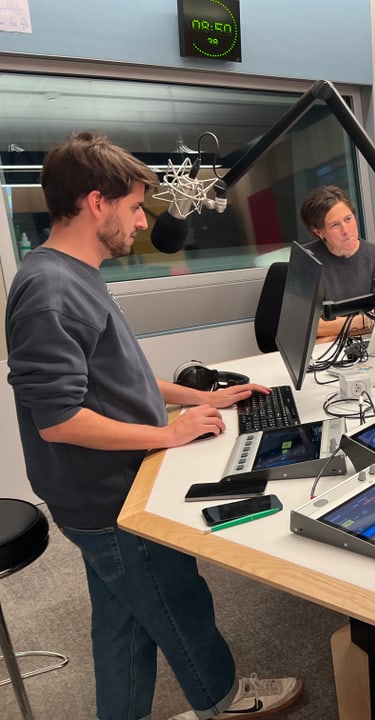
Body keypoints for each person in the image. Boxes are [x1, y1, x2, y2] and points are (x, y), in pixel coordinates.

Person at [5, 131, 303, 720]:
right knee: (176, 603)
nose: (142, 222)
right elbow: (61, 421)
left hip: (108, 489)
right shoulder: (49, 291)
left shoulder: (75, 272)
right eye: (135, 206)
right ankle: (225, 701)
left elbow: (119, 378)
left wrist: (204, 394)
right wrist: (170, 433)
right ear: (97, 202)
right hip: (109, 498)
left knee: (125, 625)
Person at [299, 184, 375, 341]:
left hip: (363, 344)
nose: (346, 230)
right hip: (324, 352)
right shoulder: (306, 258)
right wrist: (360, 321)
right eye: (335, 225)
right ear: (318, 232)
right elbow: (307, 326)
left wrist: (332, 335)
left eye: (348, 219)